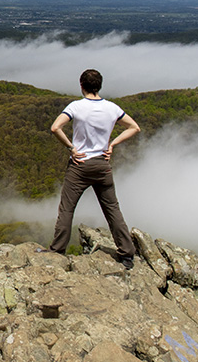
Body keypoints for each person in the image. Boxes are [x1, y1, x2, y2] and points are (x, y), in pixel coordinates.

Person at [48, 68, 140, 268]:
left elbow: (55, 127)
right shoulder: (112, 108)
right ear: (100, 86)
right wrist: (112, 144)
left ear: (81, 86)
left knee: (67, 209)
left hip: (79, 165)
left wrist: (71, 147)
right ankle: (126, 254)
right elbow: (134, 127)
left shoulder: (76, 107)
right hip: (102, 165)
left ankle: (57, 251)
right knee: (112, 210)